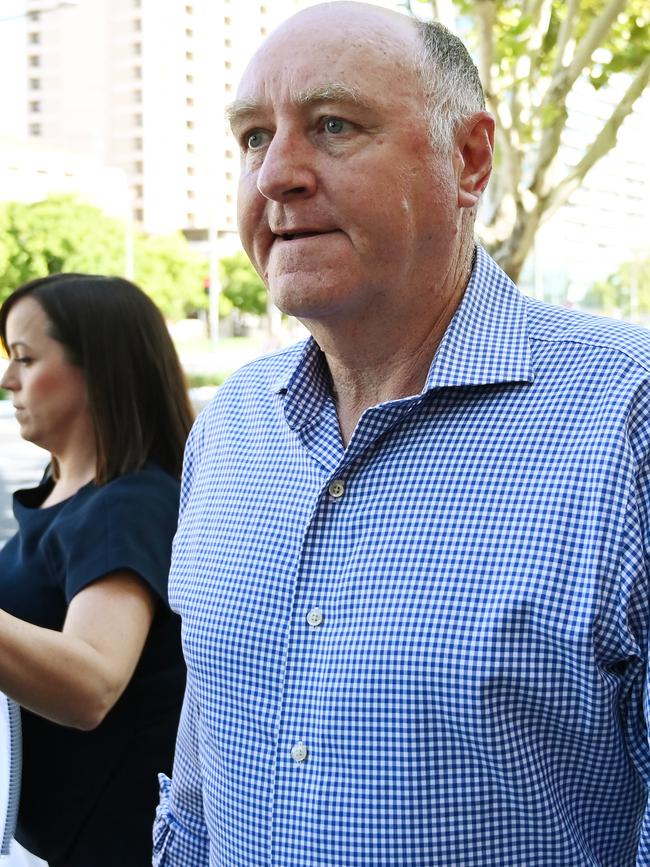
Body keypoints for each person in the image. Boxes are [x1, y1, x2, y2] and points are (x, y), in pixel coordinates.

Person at [154, 3, 650, 865]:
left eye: (334, 125)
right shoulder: (229, 430)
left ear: (469, 157)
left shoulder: (628, 417)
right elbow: (197, 799)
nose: (275, 174)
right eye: (252, 137)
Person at [0, 273, 192, 867]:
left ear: (98, 370)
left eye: (26, 359)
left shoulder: (126, 505)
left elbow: (90, 684)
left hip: (101, 843)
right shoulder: (65, 492)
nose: (7, 378)